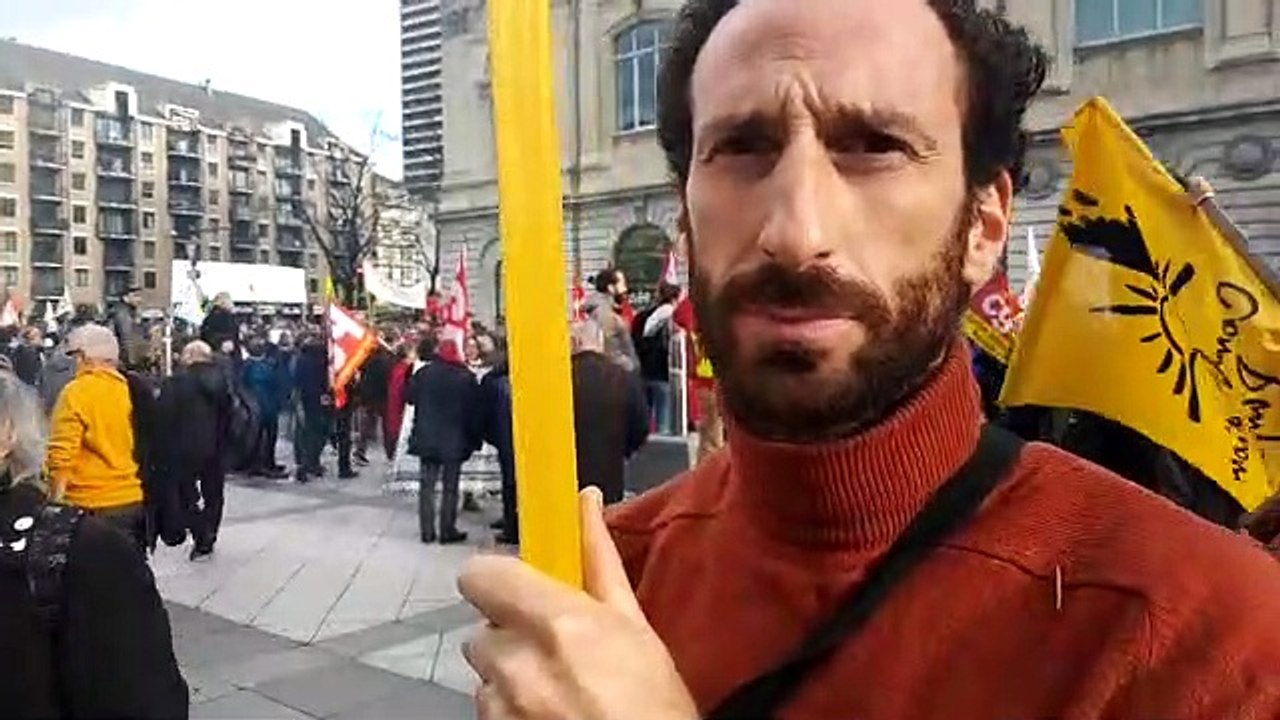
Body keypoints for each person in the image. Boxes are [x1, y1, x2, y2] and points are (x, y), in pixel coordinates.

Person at [457, 2, 1280, 719]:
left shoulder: (1211, 640)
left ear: (985, 225)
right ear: (687, 218)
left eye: (874, 145)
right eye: (742, 147)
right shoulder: (601, 589)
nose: (795, 231)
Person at [0, 373, 190, 718]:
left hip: (91, 507)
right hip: (124, 497)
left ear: (8, 434)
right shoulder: (129, 389)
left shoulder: (76, 553)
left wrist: (57, 496)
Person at [46, 324, 148, 552]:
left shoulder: (76, 393)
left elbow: (61, 455)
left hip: (90, 501)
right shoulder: (132, 389)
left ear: (84, 356)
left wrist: (54, 501)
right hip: (132, 498)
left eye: (74, 355)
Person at [157, 340, 231, 560]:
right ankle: (210, 532)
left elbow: (163, 416)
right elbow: (229, 414)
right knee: (214, 494)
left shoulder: (176, 382)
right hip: (216, 446)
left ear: (189, 357)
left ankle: (200, 532)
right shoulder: (223, 381)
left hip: (184, 448)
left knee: (185, 493)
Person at [407, 334, 480, 544]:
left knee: (427, 488)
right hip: (454, 440)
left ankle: (427, 531)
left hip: (426, 438)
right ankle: (447, 530)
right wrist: (474, 439)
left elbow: (410, 398)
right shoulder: (465, 376)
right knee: (450, 488)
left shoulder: (423, 374)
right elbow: (474, 410)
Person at [570, 319, 650, 504]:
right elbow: (641, 426)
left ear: (575, 342)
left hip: (564, 479)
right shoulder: (622, 377)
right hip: (609, 476)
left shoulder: (560, 377)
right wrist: (622, 449)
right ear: (600, 341)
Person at [479, 339, 517, 544]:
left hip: (504, 438)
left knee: (509, 482)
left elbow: (484, 412)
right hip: (518, 437)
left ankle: (511, 524)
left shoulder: (493, 380)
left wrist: (489, 435)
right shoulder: (521, 381)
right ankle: (513, 523)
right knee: (515, 483)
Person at [632, 283, 682, 435]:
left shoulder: (641, 317)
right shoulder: (672, 317)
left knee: (644, 421)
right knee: (663, 423)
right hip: (663, 373)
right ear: (674, 299)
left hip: (643, 372)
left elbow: (634, 342)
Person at [241, 339, 289, 478]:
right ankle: (263, 464)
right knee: (265, 437)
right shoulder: (266, 365)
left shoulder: (248, 366)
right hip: (263, 406)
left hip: (258, 406)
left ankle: (263, 463)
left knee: (262, 436)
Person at [582, 266, 641, 373]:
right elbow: (607, 351)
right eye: (622, 284)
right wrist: (629, 366)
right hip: (617, 376)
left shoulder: (609, 310)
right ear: (611, 288)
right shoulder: (604, 313)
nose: (626, 289)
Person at [109, 286, 146, 370]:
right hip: (123, 361)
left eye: (140, 296)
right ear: (125, 298)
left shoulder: (124, 311)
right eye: (135, 296)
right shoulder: (123, 313)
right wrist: (131, 362)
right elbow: (127, 337)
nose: (139, 299)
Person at [199, 292, 240, 357]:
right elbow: (233, 334)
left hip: (212, 352)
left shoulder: (209, 317)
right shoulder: (227, 317)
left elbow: (205, 334)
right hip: (227, 352)